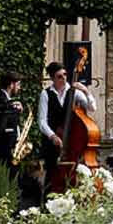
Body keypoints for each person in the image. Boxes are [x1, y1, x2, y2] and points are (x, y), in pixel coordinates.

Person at [37, 61, 73, 191]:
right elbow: (41, 121)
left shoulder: (73, 91)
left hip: (71, 140)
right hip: (52, 143)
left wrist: (85, 91)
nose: (64, 78)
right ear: (52, 78)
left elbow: (92, 107)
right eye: (59, 76)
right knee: (51, 173)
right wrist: (52, 136)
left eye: (65, 75)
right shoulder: (46, 94)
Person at [0, 70, 23, 168]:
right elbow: (1, 120)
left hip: (10, 146)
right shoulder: (0, 99)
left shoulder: (7, 101)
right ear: (11, 84)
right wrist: (15, 109)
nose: (19, 88)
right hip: (5, 146)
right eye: (18, 84)